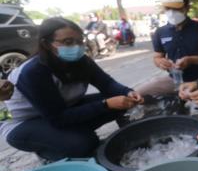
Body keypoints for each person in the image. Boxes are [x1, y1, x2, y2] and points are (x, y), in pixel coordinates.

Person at [0, 17, 143, 161]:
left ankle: (70, 135)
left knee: (125, 102)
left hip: (63, 110)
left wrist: (128, 92)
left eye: (80, 41)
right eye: (68, 42)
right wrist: (105, 104)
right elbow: (58, 118)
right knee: (84, 142)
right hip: (25, 124)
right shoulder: (33, 72)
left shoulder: (82, 61)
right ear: (47, 44)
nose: (76, 46)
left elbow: (107, 84)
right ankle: (49, 151)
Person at [135, 0, 198, 96]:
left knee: (196, 104)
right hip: (173, 79)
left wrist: (192, 60)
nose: (171, 12)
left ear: (187, 7)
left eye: (176, 8)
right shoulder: (160, 32)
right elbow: (157, 57)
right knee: (138, 94)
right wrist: (161, 62)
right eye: (167, 8)